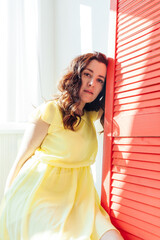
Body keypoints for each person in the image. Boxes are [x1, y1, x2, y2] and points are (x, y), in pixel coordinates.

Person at [0, 52, 124, 240]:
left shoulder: (91, 116)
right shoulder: (50, 111)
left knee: (113, 237)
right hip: (43, 197)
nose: (92, 83)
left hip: (80, 201)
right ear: (76, 75)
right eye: (87, 74)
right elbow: (22, 157)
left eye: (100, 80)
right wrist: (7, 201)